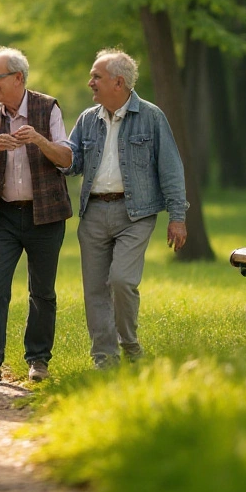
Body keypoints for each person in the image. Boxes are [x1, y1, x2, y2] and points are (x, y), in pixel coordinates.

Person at [60, 49, 188, 369]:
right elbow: (72, 163)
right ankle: (104, 357)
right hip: (93, 213)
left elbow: (171, 169)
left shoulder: (151, 116)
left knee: (121, 281)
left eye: (96, 77)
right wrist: (46, 147)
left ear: (118, 82)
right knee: (95, 290)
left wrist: (177, 218)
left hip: (136, 214)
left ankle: (129, 342)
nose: (90, 82)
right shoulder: (88, 119)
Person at [0, 47, 73, 383]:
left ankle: (38, 361)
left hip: (46, 215)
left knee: (42, 291)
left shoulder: (47, 107)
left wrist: (39, 139)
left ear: (18, 78)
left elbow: (66, 159)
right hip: (6, 215)